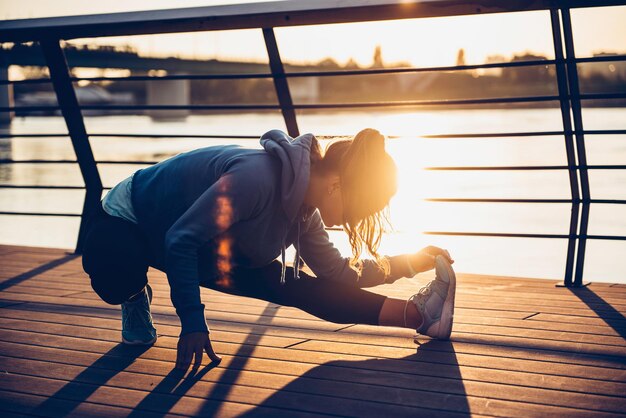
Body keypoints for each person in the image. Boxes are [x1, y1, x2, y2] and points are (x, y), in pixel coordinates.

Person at [81, 128, 456, 371]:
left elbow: (338, 272)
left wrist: (410, 263)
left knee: (297, 286)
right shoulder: (255, 179)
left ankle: (421, 316)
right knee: (115, 272)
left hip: (211, 244)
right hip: (133, 220)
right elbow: (180, 239)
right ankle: (133, 295)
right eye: (362, 210)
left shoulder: (305, 212)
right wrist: (193, 324)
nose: (356, 221)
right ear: (337, 185)